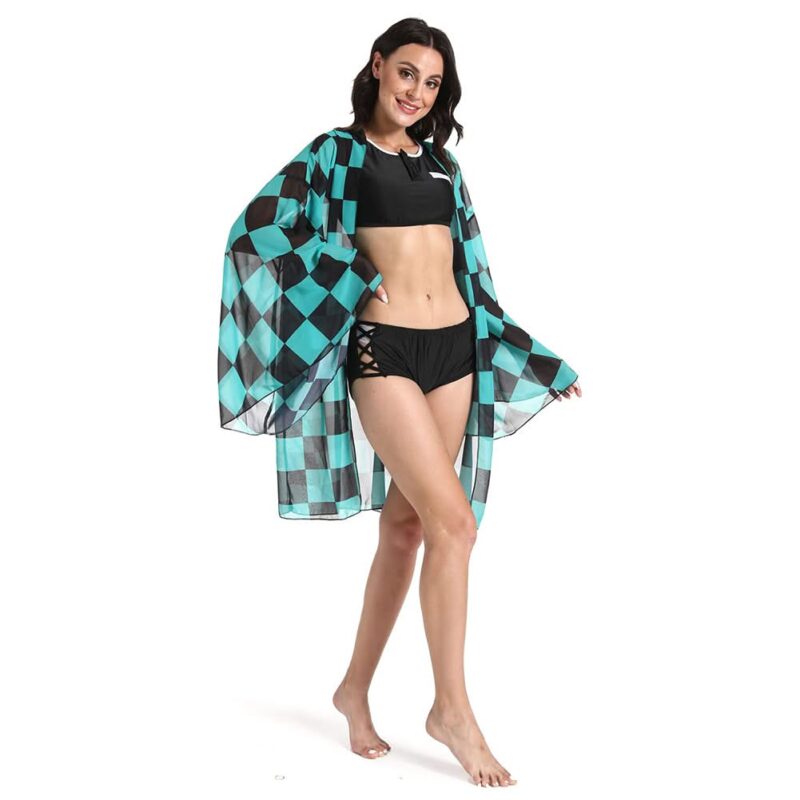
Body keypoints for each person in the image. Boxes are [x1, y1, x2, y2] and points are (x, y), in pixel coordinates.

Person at [218, 18, 581, 788]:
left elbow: (472, 272)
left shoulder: (442, 164)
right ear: (378, 66)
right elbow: (256, 232)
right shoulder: (336, 153)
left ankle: (352, 690)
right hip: (382, 350)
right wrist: (344, 270)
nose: (418, 91)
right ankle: (452, 711)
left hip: (454, 350)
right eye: (408, 72)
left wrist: (529, 351)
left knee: (410, 526)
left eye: (433, 82)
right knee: (457, 524)